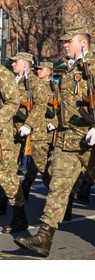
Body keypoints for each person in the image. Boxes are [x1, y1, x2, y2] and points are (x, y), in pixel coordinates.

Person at [14, 25, 95, 257]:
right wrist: (55, 122)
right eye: (64, 41)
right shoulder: (67, 71)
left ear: (83, 43)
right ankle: (44, 237)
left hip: (93, 140)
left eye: (69, 41)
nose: (65, 45)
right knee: (58, 186)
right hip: (68, 141)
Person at [20, 61, 56, 200]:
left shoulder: (55, 88)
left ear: (49, 72)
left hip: (50, 131)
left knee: (44, 163)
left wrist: (54, 122)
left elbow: (61, 110)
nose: (38, 71)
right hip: (38, 128)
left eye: (42, 69)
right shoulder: (31, 85)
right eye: (38, 69)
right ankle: (26, 187)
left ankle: (58, 193)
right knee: (37, 162)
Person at [0, 64, 29, 234]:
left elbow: (13, 101)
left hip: (1, 136)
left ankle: (19, 217)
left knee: (6, 177)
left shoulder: (3, 74)